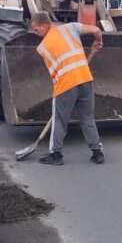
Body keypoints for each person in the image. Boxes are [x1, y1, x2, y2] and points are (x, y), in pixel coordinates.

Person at [30, 10, 104, 165]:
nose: (36, 34)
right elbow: (97, 30)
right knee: (87, 117)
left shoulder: (42, 47)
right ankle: (97, 152)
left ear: (45, 25)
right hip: (85, 79)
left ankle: (56, 154)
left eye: (37, 30)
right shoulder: (71, 27)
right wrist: (98, 41)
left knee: (59, 120)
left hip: (65, 86)